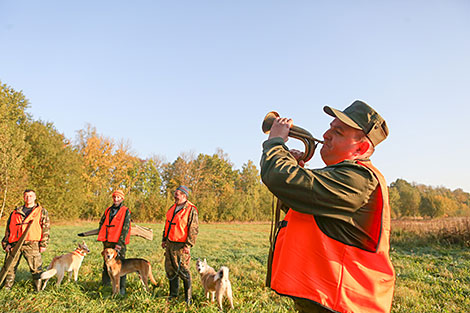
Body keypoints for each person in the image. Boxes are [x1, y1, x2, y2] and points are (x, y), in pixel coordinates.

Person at [260, 100, 395, 313]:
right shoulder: (342, 176)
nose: (325, 135)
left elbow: (277, 177)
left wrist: (276, 143)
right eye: (330, 128)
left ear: (361, 147)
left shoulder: (359, 178)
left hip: (342, 302)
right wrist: (294, 168)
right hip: (326, 298)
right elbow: (306, 213)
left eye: (338, 132)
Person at [1, 189, 50, 291]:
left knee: (36, 268)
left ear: (35, 197)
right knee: (9, 267)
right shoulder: (15, 212)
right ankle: (6, 289)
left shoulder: (41, 211)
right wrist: (6, 243)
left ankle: (38, 290)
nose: (28, 198)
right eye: (26, 196)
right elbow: (9, 229)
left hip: (31, 244)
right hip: (15, 244)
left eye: (31, 196)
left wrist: (43, 244)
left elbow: (45, 228)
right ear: (23, 197)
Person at [161, 185, 199, 305]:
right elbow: (167, 225)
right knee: (170, 270)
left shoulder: (191, 209)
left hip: (181, 245)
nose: (175, 195)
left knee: (183, 270)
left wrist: (188, 245)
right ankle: (173, 295)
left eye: (177, 194)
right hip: (170, 243)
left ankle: (188, 298)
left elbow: (193, 229)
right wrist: (164, 239)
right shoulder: (172, 208)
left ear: (184, 195)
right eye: (175, 193)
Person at [97, 189, 131, 295]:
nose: (116, 199)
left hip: (118, 242)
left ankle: (121, 289)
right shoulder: (108, 210)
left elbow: (125, 228)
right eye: (114, 197)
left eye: (118, 197)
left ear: (122, 199)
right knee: (106, 265)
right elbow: (102, 222)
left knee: (121, 266)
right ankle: (106, 286)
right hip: (107, 242)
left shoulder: (125, 211)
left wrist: (120, 243)